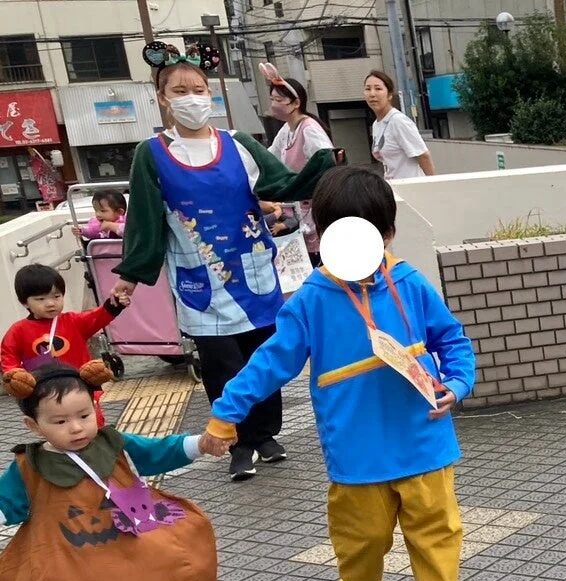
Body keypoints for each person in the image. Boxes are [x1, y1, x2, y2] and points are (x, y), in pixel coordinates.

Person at [197, 166, 478, 581]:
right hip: (356, 451)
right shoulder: (312, 301)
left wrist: (456, 383)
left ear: (388, 233)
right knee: (361, 538)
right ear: (322, 237)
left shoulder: (410, 284)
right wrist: (227, 415)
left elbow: (452, 340)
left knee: (437, 536)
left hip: (425, 440)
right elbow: (269, 363)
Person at [111, 57, 337, 482]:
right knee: (223, 368)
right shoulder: (152, 155)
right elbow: (144, 219)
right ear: (162, 99)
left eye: (199, 89)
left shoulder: (239, 143)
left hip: (254, 278)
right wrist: (130, 278)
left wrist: (323, 159)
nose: (192, 99)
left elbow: (282, 185)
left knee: (263, 359)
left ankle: (266, 434)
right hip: (201, 284)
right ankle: (235, 442)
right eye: (180, 91)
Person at [0, 362, 216, 581]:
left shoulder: (113, 444)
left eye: (83, 415)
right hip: (74, 555)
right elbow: (5, 500)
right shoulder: (30, 466)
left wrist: (199, 444)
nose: (75, 428)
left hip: (131, 539)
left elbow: (157, 452)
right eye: (59, 421)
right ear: (33, 425)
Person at [3, 263, 127, 427]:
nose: (50, 303)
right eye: (41, 299)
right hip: (44, 393)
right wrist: (15, 377)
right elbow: (7, 356)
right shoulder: (18, 330)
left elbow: (98, 317)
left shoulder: (73, 321)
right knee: (56, 428)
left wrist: (115, 304)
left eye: (56, 296)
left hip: (81, 386)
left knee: (93, 423)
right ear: (24, 302)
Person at [265, 73, 333, 262]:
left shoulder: (309, 129)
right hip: (294, 208)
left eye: (279, 99)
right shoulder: (287, 129)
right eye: (272, 99)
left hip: (312, 207)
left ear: (296, 103)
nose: (274, 104)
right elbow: (269, 157)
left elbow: (327, 163)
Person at [364, 70, 434, 181]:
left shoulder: (398, 121)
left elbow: (423, 155)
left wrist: (434, 184)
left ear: (389, 94)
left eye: (378, 88)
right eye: (368, 89)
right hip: (394, 186)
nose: (372, 94)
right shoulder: (376, 125)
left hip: (412, 187)